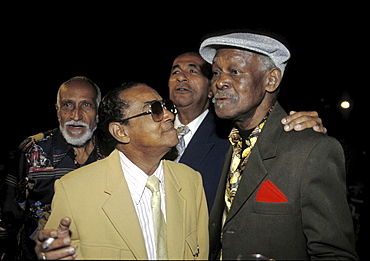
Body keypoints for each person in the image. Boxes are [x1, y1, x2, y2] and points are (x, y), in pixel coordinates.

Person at [199, 32, 358, 260]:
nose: (219, 81)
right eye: (215, 72)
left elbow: (334, 254)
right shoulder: (229, 145)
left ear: (271, 80)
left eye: (234, 71)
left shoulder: (311, 150)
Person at [34, 82, 209, 260]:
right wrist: (48, 252)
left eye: (167, 106)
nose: (170, 115)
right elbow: (54, 249)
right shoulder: (73, 190)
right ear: (120, 132)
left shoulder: (190, 181)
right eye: (155, 110)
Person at [166, 52, 327, 210]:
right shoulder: (148, 131)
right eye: (175, 71)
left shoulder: (233, 136)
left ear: (210, 89)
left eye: (193, 71)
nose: (181, 77)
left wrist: (307, 136)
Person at [0, 76, 105, 259]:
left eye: (86, 105)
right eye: (67, 105)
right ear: (58, 112)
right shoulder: (32, 150)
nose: (76, 116)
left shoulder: (113, 154)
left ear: (98, 113)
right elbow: (7, 222)